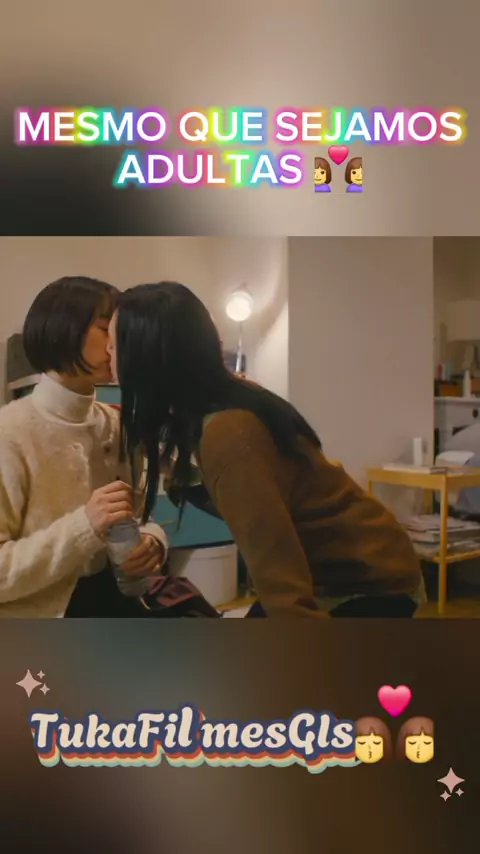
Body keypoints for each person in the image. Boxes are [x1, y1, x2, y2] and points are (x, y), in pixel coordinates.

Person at [107, 281, 425, 619]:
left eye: (113, 345)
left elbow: (279, 576)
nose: (107, 355)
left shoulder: (230, 433)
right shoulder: (218, 402)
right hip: (333, 568)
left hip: (367, 578)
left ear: (145, 356)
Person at [0, 276, 169, 618]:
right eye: (107, 329)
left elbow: (137, 515)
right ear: (63, 330)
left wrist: (152, 542)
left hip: (119, 604)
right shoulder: (10, 433)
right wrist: (84, 527)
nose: (118, 343)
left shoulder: (118, 424)